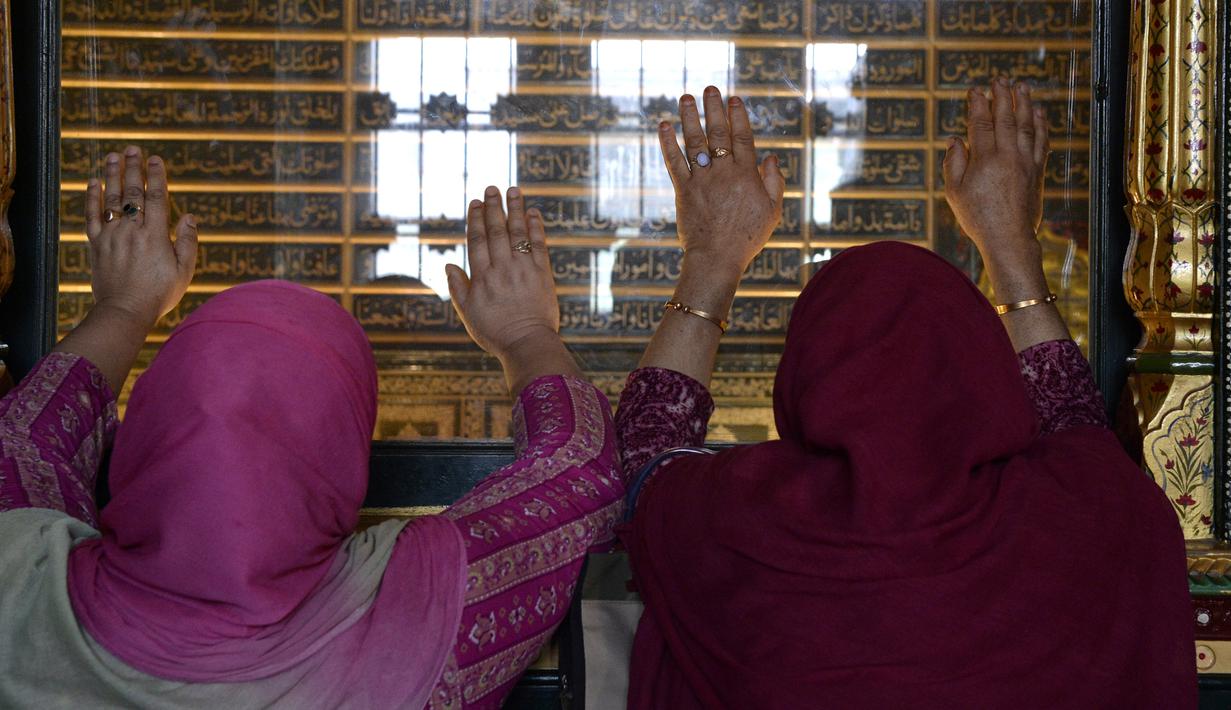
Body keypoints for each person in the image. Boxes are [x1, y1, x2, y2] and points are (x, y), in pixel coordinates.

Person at [615, 82, 1196, 706]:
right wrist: (1012, 247)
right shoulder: (1086, 515)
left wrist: (712, 258)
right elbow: (1077, 425)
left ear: (805, 378)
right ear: (985, 372)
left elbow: (651, 455)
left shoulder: (738, 525)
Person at [0, 148, 622, 708]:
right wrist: (525, 334)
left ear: (147, 434)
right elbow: (578, 471)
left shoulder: (20, 590)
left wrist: (124, 306)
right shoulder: (417, 622)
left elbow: (24, 443)